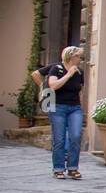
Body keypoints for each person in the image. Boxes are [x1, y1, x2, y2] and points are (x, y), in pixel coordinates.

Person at [30, 46, 86, 180]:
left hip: (75, 108)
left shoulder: (80, 72)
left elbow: (80, 89)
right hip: (57, 107)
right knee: (59, 139)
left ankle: (73, 168)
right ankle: (58, 169)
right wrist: (68, 74)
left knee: (76, 136)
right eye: (78, 56)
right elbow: (53, 86)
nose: (80, 59)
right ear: (71, 56)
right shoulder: (57, 68)